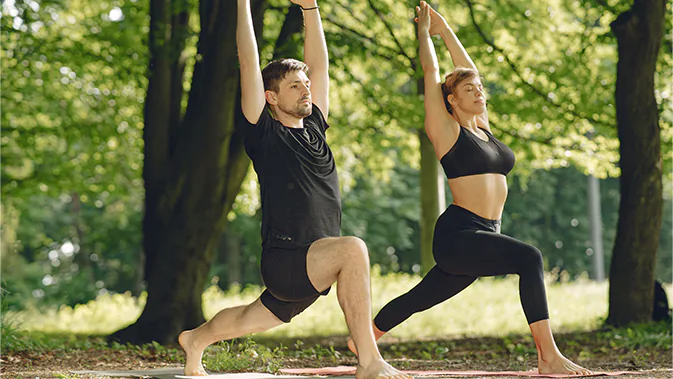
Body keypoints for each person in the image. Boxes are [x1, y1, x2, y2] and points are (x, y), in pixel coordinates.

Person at [348, 2, 591, 375]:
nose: (479, 91)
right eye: (469, 89)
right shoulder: (446, 132)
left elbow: (471, 69)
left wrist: (446, 31)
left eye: (480, 88)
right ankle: (548, 358)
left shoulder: (483, 128)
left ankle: (362, 337)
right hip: (459, 234)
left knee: (420, 298)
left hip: (484, 233)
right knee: (530, 258)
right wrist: (425, 35)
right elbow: (431, 71)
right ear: (451, 100)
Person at [178, 1, 413, 378]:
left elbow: (319, 65)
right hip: (288, 259)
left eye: (306, 85)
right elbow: (247, 61)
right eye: (294, 86)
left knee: (245, 319)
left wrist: (310, 8)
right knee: (354, 249)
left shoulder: (316, 128)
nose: (306, 89)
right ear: (271, 97)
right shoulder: (265, 133)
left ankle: (195, 340)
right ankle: (370, 362)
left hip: (316, 261)